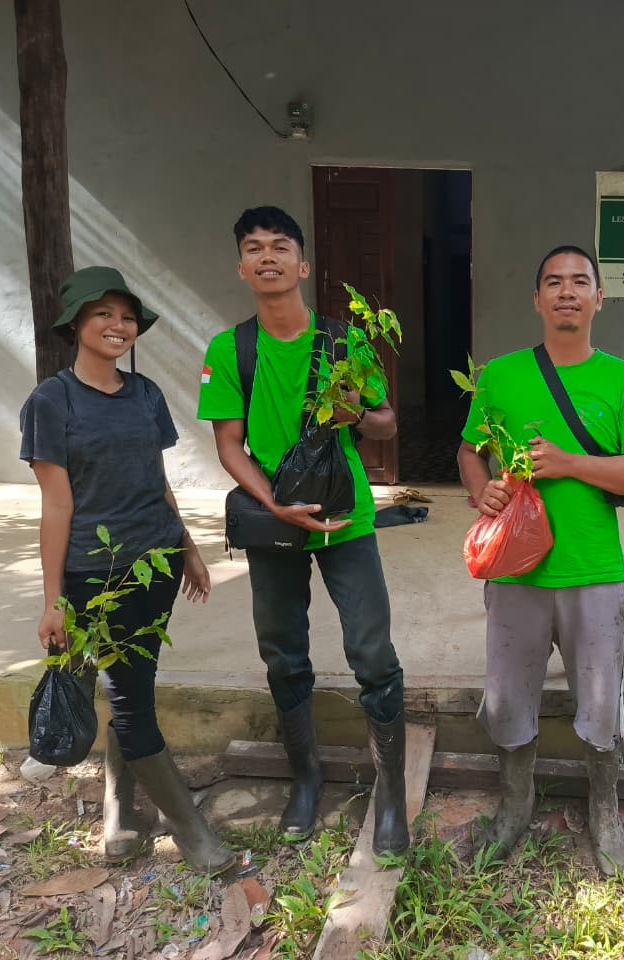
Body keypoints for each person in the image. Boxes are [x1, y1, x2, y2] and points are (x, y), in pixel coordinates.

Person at [197, 207, 409, 853]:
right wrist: (275, 504)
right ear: (242, 267)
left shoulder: (345, 342)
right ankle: (306, 779)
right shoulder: (230, 350)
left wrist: (355, 414)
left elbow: (386, 422)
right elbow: (229, 446)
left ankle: (391, 793)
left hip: (347, 518)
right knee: (283, 651)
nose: (268, 256)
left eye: (280, 246)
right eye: (254, 248)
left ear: (303, 264)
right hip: (275, 522)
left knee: (372, 651)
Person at [457, 244, 624, 874]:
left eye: (580, 282)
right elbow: (470, 451)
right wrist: (480, 489)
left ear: (600, 298)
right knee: (508, 698)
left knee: (601, 704)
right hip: (515, 567)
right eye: (554, 282)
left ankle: (605, 810)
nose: (567, 292)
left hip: (593, 569)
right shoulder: (500, 376)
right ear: (537, 299)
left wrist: (571, 463)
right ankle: (514, 805)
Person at [20, 266, 234, 875]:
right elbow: (56, 506)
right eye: (103, 314)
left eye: (127, 316)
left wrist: (187, 546)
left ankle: (120, 809)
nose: (118, 325)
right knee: (131, 700)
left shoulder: (145, 395)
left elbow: (155, 480)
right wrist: (53, 598)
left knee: (132, 686)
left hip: (155, 564)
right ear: (75, 324)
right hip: (96, 575)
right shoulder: (50, 402)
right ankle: (191, 832)